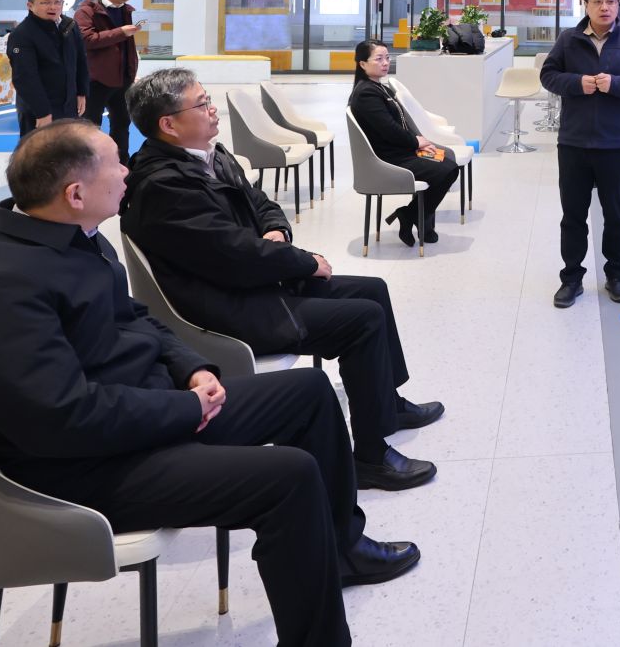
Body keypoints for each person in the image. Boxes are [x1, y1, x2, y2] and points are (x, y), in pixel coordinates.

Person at [0, 121, 417, 647]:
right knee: (289, 477)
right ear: (75, 194)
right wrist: (186, 408)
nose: (127, 173)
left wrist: (192, 369)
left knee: (309, 394)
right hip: (85, 466)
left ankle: (342, 550)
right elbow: (64, 418)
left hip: (146, 413)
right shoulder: (0, 285)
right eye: (116, 164)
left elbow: (139, 318)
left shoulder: (73, 237)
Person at [122, 69, 442, 491]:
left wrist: (277, 230)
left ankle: (388, 405)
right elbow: (233, 255)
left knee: (372, 290)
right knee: (361, 320)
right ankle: (370, 457)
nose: (213, 110)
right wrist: (303, 263)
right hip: (230, 306)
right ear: (169, 124)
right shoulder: (165, 186)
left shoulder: (208, 155)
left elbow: (261, 203)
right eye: (202, 104)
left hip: (255, 281)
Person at [538, 0, 620, 308]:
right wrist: (578, 83)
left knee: (616, 215)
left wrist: (614, 84)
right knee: (572, 216)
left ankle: (616, 275)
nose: (605, 7)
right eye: (597, 1)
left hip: (615, 144)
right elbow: (548, 75)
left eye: (610, 1)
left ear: (618, 4)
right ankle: (571, 279)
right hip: (573, 143)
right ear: (585, 3)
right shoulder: (568, 39)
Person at [345, 42, 460, 246]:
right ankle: (413, 216)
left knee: (448, 160)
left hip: (400, 150)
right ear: (362, 64)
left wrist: (421, 143)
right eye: (379, 59)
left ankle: (415, 217)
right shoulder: (366, 94)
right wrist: (416, 142)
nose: (385, 63)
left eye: (387, 58)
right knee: (447, 169)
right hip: (388, 158)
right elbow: (389, 129)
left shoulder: (380, 87)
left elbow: (402, 123)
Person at [7, 0, 90, 138]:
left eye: (57, 2)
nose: (53, 7)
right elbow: (25, 78)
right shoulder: (22, 34)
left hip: (69, 104)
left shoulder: (69, 26)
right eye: (45, 3)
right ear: (30, 5)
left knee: (69, 148)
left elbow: (81, 61)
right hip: (39, 109)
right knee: (39, 150)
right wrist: (42, 112)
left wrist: (81, 92)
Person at [76, 0, 143, 157]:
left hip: (123, 79)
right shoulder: (87, 11)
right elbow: (86, 40)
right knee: (90, 128)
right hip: (96, 80)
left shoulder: (127, 11)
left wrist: (131, 71)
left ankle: (121, 165)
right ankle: (90, 166)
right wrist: (120, 32)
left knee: (122, 125)